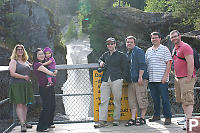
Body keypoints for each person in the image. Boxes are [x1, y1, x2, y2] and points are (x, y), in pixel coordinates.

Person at [94, 37, 129, 128]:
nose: (110, 45)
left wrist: (122, 78)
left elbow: (125, 68)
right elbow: (100, 59)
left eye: (111, 43)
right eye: (108, 44)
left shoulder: (121, 55)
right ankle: (102, 120)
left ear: (115, 44)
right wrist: (101, 62)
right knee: (103, 100)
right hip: (105, 79)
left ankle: (116, 119)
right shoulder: (105, 55)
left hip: (117, 79)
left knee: (117, 100)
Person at [170, 30, 196, 130]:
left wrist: (189, 78)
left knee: (188, 100)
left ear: (179, 36)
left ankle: (189, 122)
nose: (173, 39)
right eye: (172, 37)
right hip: (178, 78)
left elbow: (191, 62)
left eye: (175, 36)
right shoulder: (175, 48)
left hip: (186, 77)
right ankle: (186, 118)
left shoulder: (185, 47)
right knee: (183, 100)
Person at [145, 32, 172, 125]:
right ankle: (156, 115)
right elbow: (146, 64)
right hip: (151, 79)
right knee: (155, 99)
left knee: (165, 98)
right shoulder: (148, 50)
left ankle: (168, 117)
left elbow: (169, 63)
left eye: (156, 37)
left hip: (162, 79)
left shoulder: (164, 49)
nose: (154, 39)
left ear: (160, 39)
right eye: (152, 38)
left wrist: (165, 76)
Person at [8, 44, 34, 132]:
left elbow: (34, 65)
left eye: (21, 49)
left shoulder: (25, 61)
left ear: (24, 51)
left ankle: (25, 121)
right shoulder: (13, 61)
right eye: (18, 49)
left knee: (25, 103)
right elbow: (12, 73)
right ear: (15, 51)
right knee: (19, 104)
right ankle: (22, 124)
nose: (20, 51)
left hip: (25, 85)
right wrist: (24, 77)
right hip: (16, 85)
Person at [124, 36, 149, 126]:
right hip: (131, 81)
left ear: (134, 43)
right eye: (128, 42)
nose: (129, 43)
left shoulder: (139, 51)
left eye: (131, 42)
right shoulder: (128, 53)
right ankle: (133, 118)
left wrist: (140, 77)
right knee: (132, 101)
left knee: (142, 99)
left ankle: (142, 118)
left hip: (139, 80)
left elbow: (142, 64)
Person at [33, 48, 57, 132]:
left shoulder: (43, 64)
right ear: (36, 56)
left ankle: (49, 123)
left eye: (42, 54)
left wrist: (54, 71)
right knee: (46, 107)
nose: (42, 55)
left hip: (50, 87)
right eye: (39, 54)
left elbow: (53, 70)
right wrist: (53, 72)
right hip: (44, 88)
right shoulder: (38, 65)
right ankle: (41, 127)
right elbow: (51, 73)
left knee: (52, 105)